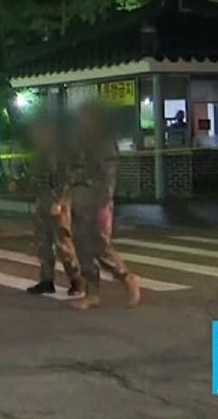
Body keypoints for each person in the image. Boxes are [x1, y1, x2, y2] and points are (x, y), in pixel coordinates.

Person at [68, 103, 141, 310]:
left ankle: (127, 278)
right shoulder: (82, 142)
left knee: (100, 245)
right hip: (80, 200)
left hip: (96, 201)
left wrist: (102, 204)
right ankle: (92, 292)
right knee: (82, 247)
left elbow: (107, 177)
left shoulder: (104, 144)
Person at [24, 115, 83, 296]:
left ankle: (76, 280)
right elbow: (38, 177)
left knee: (62, 244)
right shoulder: (41, 150)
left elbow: (65, 179)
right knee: (43, 243)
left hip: (57, 203)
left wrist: (58, 201)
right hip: (43, 201)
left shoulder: (58, 152)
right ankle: (46, 280)